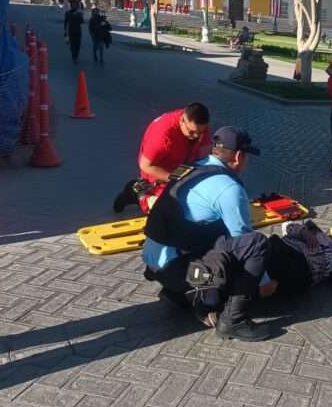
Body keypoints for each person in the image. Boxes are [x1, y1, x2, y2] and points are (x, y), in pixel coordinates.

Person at [142, 126, 271, 342]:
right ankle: (233, 320)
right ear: (239, 156)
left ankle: (174, 294)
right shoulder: (229, 188)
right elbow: (243, 239)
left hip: (154, 264)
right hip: (176, 269)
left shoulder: (190, 168)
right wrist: (264, 281)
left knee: (216, 227)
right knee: (256, 244)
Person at [113, 103, 212, 214]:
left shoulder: (198, 126)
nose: (196, 136)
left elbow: (204, 154)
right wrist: (175, 180)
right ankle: (137, 194)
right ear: (182, 121)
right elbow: (145, 165)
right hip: (159, 170)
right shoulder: (163, 135)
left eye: (200, 133)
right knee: (164, 211)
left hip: (182, 164)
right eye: (192, 132)